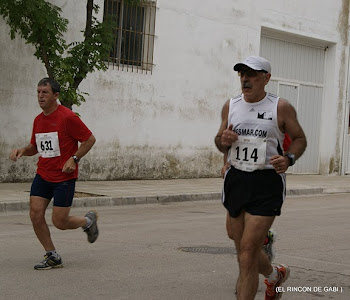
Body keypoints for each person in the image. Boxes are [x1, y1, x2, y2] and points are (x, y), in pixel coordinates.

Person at [215, 56, 307, 299]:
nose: (245, 78)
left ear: (266, 78)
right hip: (236, 180)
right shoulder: (231, 105)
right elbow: (219, 140)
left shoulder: (280, 107)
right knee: (241, 245)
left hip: (266, 182)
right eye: (242, 74)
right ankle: (275, 275)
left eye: (252, 74)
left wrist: (288, 159)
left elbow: (299, 139)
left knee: (246, 253)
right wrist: (223, 142)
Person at [9, 78, 98, 270]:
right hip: (43, 174)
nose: (40, 96)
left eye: (45, 92)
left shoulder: (67, 117)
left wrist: (74, 159)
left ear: (56, 96)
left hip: (63, 178)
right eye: (38, 92)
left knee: (60, 222)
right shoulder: (38, 120)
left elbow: (89, 139)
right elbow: (36, 146)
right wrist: (23, 150)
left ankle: (88, 221)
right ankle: (52, 255)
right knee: (35, 214)